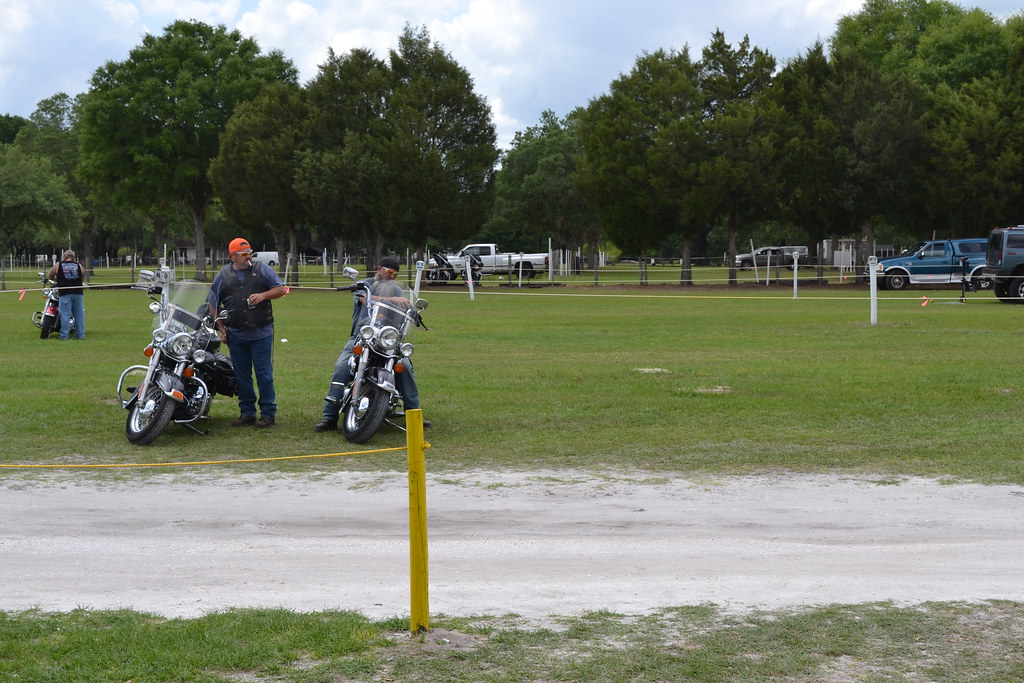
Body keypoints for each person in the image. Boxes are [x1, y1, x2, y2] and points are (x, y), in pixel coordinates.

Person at [313, 256, 429, 432]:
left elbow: (404, 308)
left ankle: (414, 414)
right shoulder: (364, 284)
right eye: (390, 272)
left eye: (396, 275)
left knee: (404, 367)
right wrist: (394, 301)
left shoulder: (397, 290)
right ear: (379, 268)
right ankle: (329, 417)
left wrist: (410, 309)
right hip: (363, 335)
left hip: (387, 338)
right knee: (342, 367)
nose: (392, 277)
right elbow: (364, 299)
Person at [208, 238, 288, 428]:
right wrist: (221, 328)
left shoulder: (262, 269)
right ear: (233, 256)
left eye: (249, 252)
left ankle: (268, 414)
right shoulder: (223, 274)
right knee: (242, 376)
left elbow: (281, 289)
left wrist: (263, 296)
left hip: (262, 332)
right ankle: (247, 413)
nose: (248, 256)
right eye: (244, 253)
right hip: (236, 334)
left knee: (264, 374)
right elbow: (213, 304)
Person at [48, 250, 86, 340]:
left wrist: (58, 280)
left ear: (64, 257)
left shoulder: (58, 265)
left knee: (65, 315)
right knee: (79, 315)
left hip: (64, 293)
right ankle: (80, 335)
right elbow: (82, 276)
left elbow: (50, 275)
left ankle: (64, 336)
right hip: (78, 293)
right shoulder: (79, 265)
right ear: (73, 258)